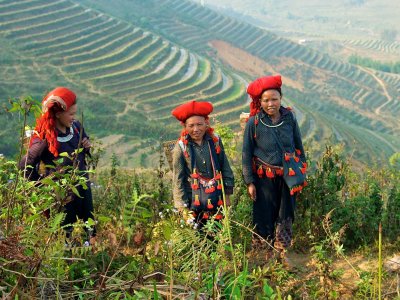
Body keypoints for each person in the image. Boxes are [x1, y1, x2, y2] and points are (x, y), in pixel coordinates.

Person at [242, 75, 306, 264]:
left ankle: (282, 253)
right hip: (263, 180)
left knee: (285, 214)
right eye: (266, 100)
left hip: (287, 177)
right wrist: (250, 181)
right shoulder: (254, 123)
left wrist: (301, 173)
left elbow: (299, 147)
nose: (271, 103)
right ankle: (263, 255)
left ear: (281, 98)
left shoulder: (289, 118)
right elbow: (246, 153)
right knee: (264, 214)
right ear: (259, 102)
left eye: (274, 99)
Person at [19, 87, 95, 246]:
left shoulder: (75, 127)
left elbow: (83, 144)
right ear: (58, 114)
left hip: (82, 187)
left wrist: (87, 146)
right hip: (62, 194)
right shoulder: (45, 138)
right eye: (71, 114)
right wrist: (41, 184)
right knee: (64, 232)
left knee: (88, 225)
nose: (74, 117)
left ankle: (88, 255)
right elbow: (25, 165)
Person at [171, 100, 234, 229]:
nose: (196, 129)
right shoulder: (181, 147)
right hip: (193, 200)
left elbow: (225, 167)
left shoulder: (215, 141)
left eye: (199, 124)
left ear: (206, 123)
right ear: (185, 127)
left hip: (216, 197)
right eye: (191, 125)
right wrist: (182, 207)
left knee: (217, 232)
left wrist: (227, 195)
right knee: (198, 236)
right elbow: (178, 179)